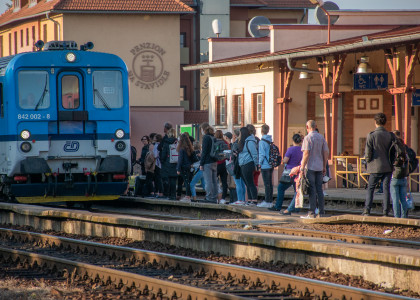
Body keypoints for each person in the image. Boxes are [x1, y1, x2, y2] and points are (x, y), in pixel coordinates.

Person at [363, 113, 394, 216]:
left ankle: (367, 210)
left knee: (370, 188)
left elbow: (368, 153)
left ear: (375, 122)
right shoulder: (390, 135)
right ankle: (386, 211)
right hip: (388, 166)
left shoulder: (371, 135)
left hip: (375, 166)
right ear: (385, 122)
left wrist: (368, 162)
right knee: (386, 189)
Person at [300, 120, 329, 219]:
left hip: (310, 167)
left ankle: (312, 212)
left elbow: (306, 153)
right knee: (319, 190)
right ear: (316, 126)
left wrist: (302, 167)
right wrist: (324, 166)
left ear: (307, 127)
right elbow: (326, 153)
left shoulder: (307, 138)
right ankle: (321, 212)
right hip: (320, 167)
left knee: (312, 190)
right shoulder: (322, 138)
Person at [269, 133, 303, 213]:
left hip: (289, 172)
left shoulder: (290, 149)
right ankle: (297, 208)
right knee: (297, 191)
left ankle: (278, 206)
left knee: (281, 188)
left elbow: (285, 160)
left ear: (293, 140)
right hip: (298, 172)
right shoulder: (302, 150)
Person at [390, 130, 409, 218]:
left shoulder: (393, 146)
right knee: (403, 200)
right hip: (403, 177)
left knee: (395, 200)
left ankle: (397, 217)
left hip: (394, 176)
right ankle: (404, 217)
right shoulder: (404, 147)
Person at [238, 127, 259, 204]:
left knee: (250, 183)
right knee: (247, 183)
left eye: (240, 133)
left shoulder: (250, 142)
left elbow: (254, 153)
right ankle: (250, 200)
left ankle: (254, 200)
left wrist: (256, 164)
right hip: (243, 164)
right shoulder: (243, 142)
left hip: (248, 163)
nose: (239, 135)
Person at [200, 123, 218, 203]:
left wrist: (201, 163)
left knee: (208, 181)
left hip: (207, 162)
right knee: (214, 181)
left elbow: (204, 152)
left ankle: (209, 198)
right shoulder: (213, 137)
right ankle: (214, 198)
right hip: (214, 161)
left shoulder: (206, 138)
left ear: (203, 129)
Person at [257, 124, 274, 208]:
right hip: (271, 164)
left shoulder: (262, 142)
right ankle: (270, 201)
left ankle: (267, 201)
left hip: (265, 165)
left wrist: (259, 163)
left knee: (266, 184)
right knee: (270, 184)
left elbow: (262, 154)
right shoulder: (270, 140)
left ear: (261, 131)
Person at [160, 128, 178, 200]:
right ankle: (174, 195)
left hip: (168, 163)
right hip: (176, 162)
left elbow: (163, 155)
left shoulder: (166, 142)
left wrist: (162, 161)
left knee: (169, 179)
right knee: (174, 179)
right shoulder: (177, 142)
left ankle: (170, 195)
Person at [176, 133, 195, 202]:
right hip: (190, 166)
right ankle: (188, 196)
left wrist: (178, 169)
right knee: (188, 181)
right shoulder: (190, 148)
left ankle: (187, 196)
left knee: (186, 182)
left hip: (184, 167)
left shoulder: (182, 149)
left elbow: (180, 160)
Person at [231, 129, 246, 205]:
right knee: (242, 183)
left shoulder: (236, 143)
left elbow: (234, 155)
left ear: (235, 135)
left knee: (238, 183)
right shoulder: (243, 142)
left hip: (236, 165)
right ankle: (243, 199)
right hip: (242, 164)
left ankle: (240, 199)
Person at [215, 130, 229, 204]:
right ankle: (223, 198)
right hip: (223, 164)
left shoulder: (214, 143)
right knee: (224, 182)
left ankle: (215, 197)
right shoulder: (226, 143)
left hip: (216, 164)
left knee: (214, 181)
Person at [247, 124, 260, 198]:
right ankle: (255, 197)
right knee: (255, 182)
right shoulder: (257, 139)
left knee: (250, 183)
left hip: (251, 162)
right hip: (257, 162)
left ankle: (251, 199)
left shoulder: (249, 140)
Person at [153, 134, 164, 198]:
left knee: (158, 178)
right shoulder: (162, 144)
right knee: (159, 178)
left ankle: (160, 192)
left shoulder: (157, 145)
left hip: (157, 163)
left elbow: (155, 155)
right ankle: (160, 191)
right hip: (161, 164)